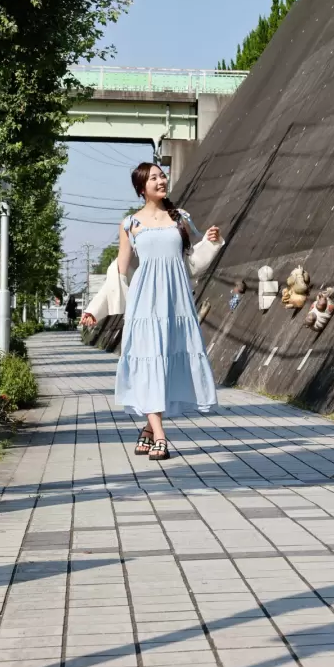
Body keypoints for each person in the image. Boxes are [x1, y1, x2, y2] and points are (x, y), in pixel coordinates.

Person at [114, 162, 222, 461]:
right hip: (144, 304)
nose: (161, 180)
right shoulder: (130, 224)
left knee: (165, 366)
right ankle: (160, 436)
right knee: (149, 364)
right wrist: (97, 309)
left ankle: (149, 430)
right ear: (141, 188)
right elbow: (120, 271)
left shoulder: (180, 218)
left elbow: (191, 265)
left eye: (162, 175)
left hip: (175, 303)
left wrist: (210, 244)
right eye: (154, 178)